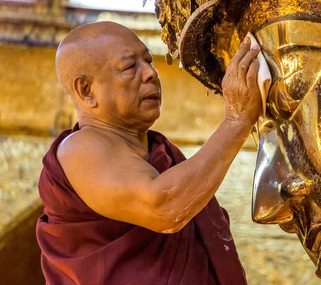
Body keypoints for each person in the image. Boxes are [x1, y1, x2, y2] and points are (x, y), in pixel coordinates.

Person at [36, 21, 262, 284]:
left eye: (148, 61)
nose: (151, 74)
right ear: (86, 91)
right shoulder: (79, 148)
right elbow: (164, 206)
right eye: (130, 67)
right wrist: (237, 121)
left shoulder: (161, 153)